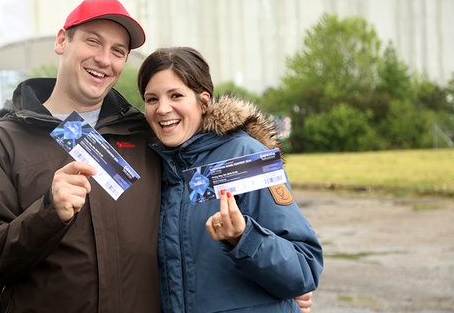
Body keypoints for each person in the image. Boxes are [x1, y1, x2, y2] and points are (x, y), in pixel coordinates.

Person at [0, 0, 162, 312]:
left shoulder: (146, 138)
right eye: (93, 41)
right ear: (62, 41)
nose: (104, 59)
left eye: (118, 51)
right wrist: (47, 213)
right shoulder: (2, 144)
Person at [137, 46, 323, 312]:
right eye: (152, 99)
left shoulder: (247, 156)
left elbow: (304, 269)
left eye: (176, 95)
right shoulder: (154, 165)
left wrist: (243, 237)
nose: (163, 109)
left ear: (203, 100)